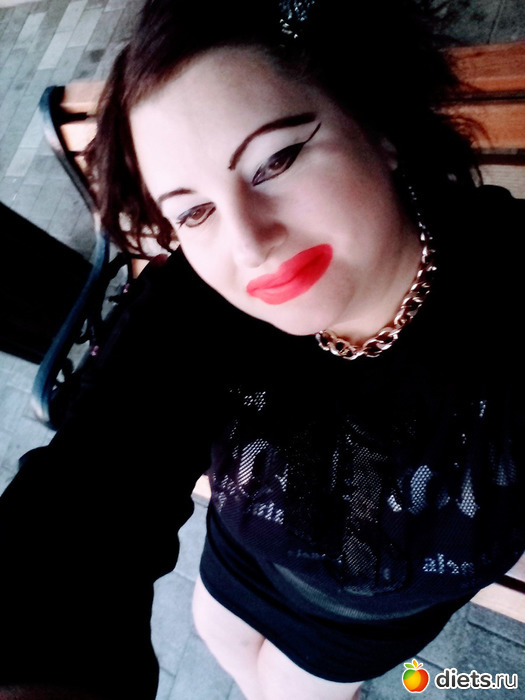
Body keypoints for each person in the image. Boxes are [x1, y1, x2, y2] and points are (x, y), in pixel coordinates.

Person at [1, 0, 524, 698]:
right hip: (239, 563)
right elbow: (91, 490)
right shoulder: (197, 304)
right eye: (194, 211)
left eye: (275, 160)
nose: (248, 244)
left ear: (376, 127)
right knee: (215, 631)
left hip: (357, 623)